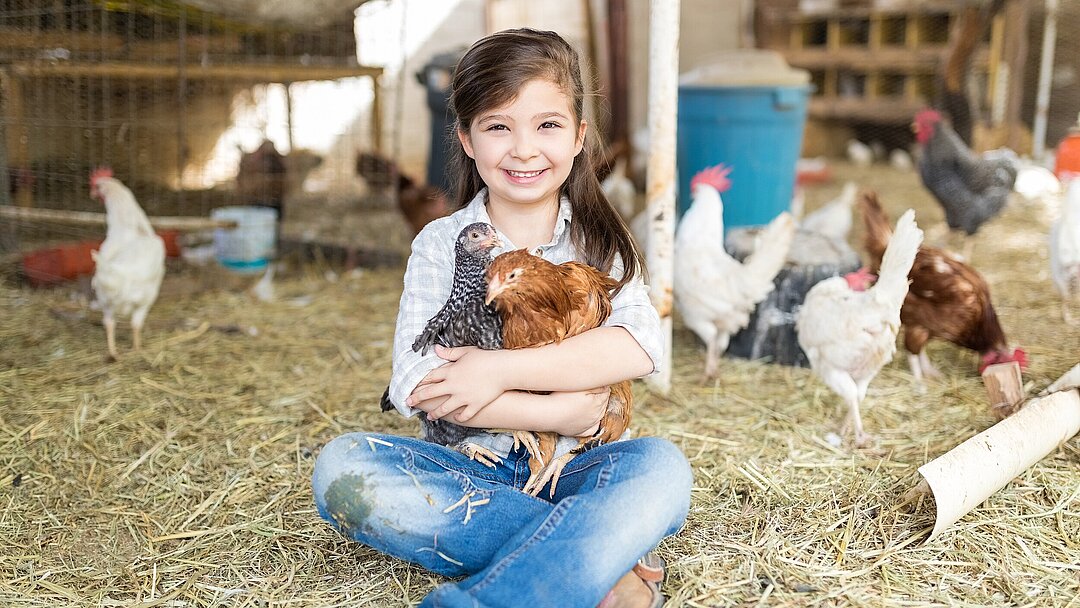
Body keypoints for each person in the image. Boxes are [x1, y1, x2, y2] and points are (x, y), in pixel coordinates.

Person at [312, 28, 693, 608]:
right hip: (473, 469)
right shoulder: (440, 245)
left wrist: (495, 370)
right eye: (497, 126)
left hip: (580, 467)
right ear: (465, 138)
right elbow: (416, 384)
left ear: (578, 137)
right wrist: (559, 408)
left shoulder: (599, 241)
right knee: (343, 470)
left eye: (547, 125)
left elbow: (638, 346)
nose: (523, 149)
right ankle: (599, 559)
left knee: (661, 470)